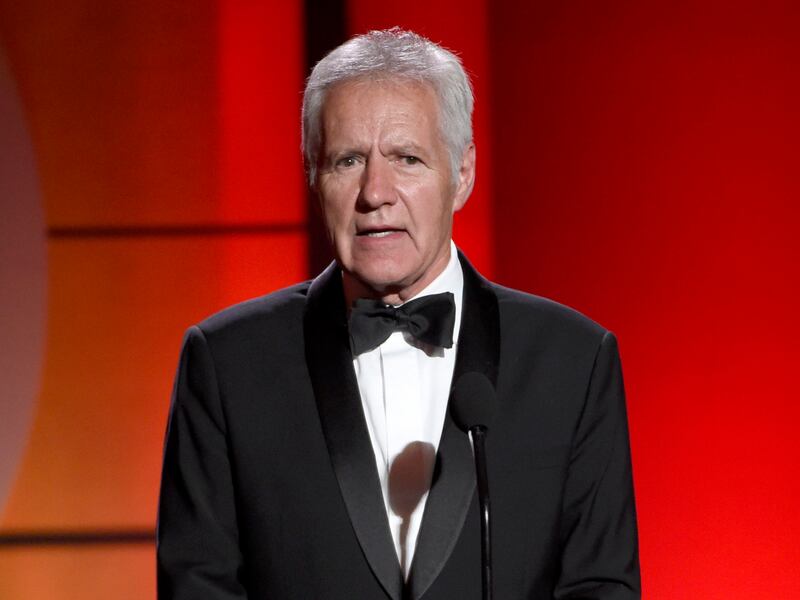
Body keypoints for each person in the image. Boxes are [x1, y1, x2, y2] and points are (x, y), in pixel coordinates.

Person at [157, 28, 640, 599]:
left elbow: (600, 587)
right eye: (348, 160)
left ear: (462, 175)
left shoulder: (572, 361)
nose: (375, 192)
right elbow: (199, 586)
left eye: (406, 159)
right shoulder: (229, 364)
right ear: (315, 176)